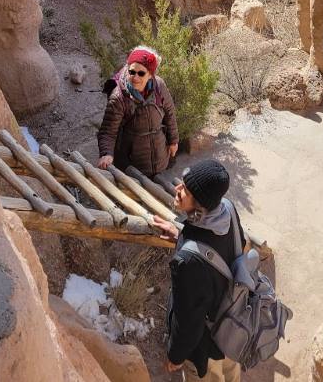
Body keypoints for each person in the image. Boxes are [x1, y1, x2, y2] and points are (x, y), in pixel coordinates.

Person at [152, 160, 245, 381]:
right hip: (235, 325)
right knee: (231, 373)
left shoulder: (187, 263)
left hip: (208, 343)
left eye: (185, 189)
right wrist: (182, 235)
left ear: (201, 206)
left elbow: (188, 321)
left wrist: (176, 355)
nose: (177, 189)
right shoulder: (228, 210)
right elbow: (227, 247)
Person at [97, 46, 178, 177]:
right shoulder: (119, 98)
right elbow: (108, 132)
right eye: (132, 72)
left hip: (159, 154)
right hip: (132, 164)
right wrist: (106, 154)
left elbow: (170, 113)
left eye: (141, 73)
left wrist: (173, 141)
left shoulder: (159, 86)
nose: (135, 77)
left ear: (151, 75)